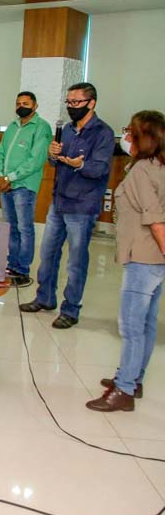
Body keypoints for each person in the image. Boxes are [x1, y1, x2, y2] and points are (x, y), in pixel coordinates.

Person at [86, 111, 165, 412]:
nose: (126, 137)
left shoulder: (143, 171)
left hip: (145, 258)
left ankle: (124, 391)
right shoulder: (158, 165)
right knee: (146, 323)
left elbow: (155, 219)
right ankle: (133, 377)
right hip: (153, 260)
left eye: (130, 132)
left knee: (132, 326)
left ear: (144, 138)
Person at [19, 82, 115, 329]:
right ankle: (45, 298)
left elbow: (100, 169)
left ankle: (70, 310)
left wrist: (78, 164)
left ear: (91, 103)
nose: (71, 107)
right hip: (59, 201)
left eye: (76, 102)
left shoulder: (103, 132)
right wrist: (53, 155)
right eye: (68, 102)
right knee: (48, 253)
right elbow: (58, 162)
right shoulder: (68, 130)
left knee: (75, 261)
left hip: (82, 207)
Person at [0, 91, 53, 288]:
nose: (21, 106)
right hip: (5, 185)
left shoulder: (41, 127)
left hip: (24, 185)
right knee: (10, 227)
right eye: (18, 103)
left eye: (25, 103)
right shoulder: (12, 126)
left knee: (24, 228)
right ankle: (12, 265)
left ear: (35, 106)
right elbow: (0, 153)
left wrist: (11, 177)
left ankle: (23, 269)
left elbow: (35, 160)